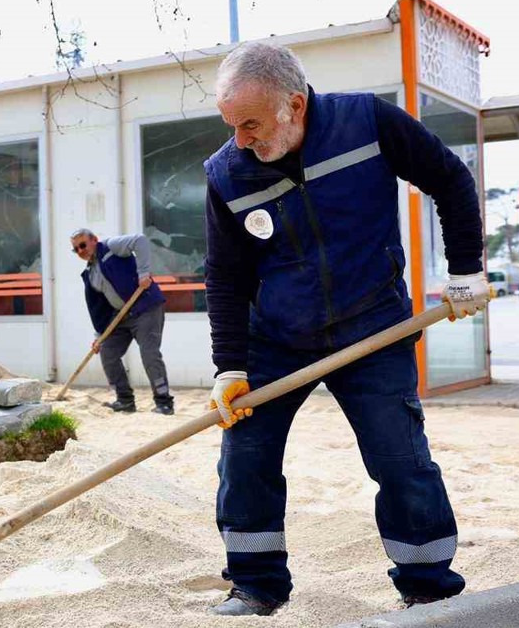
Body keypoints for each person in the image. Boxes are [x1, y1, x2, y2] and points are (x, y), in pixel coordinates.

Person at [201, 42, 489, 616]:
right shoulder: (227, 174)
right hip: (276, 338)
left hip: (372, 326)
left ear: (295, 104)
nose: (241, 139)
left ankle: (427, 585)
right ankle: (256, 584)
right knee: (246, 456)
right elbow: (225, 277)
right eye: (231, 125)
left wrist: (464, 272)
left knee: (400, 458)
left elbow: (450, 180)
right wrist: (230, 366)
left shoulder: (367, 122)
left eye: (250, 123)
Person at [71, 228, 174, 415]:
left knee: (149, 353)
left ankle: (164, 401)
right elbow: (98, 309)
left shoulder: (111, 247)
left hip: (146, 307)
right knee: (108, 352)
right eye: (76, 249)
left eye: (83, 245)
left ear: (94, 239)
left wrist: (144, 272)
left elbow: (140, 241)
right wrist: (100, 336)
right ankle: (125, 400)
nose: (80, 251)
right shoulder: (90, 274)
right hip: (122, 316)